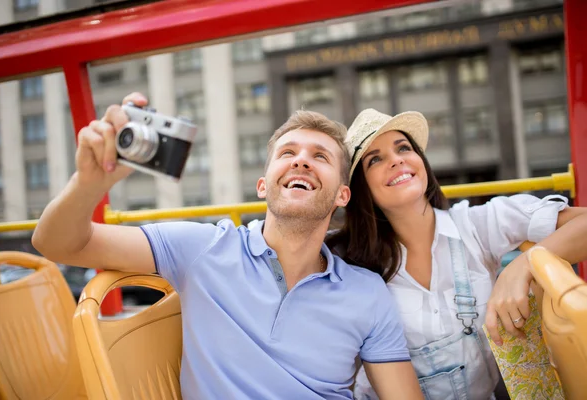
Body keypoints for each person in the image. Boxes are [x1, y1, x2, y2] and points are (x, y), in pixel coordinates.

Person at [32, 93, 424, 400]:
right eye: (288, 153)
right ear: (263, 184)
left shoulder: (368, 292)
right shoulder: (202, 248)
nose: (301, 162)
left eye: (319, 156)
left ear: (342, 195)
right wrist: (90, 183)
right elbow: (58, 243)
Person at [326, 108, 587, 399]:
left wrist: (526, 263)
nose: (396, 159)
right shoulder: (346, 260)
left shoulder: (477, 225)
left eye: (404, 148)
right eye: (376, 159)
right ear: (361, 189)